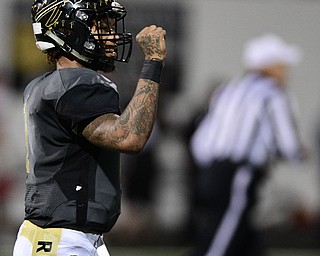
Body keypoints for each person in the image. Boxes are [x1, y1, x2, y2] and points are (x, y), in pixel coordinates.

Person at [13, 0, 166, 255]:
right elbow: (129, 137)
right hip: (60, 241)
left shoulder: (42, 85)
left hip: (57, 236)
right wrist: (153, 61)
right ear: (69, 30)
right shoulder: (79, 84)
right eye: (100, 25)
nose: (113, 35)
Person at [189, 34, 306, 256]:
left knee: (244, 239)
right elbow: (287, 143)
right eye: (281, 65)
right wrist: (300, 155)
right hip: (238, 174)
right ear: (268, 66)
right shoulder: (272, 93)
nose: (285, 71)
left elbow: (203, 136)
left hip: (209, 170)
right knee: (220, 242)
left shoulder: (229, 89)